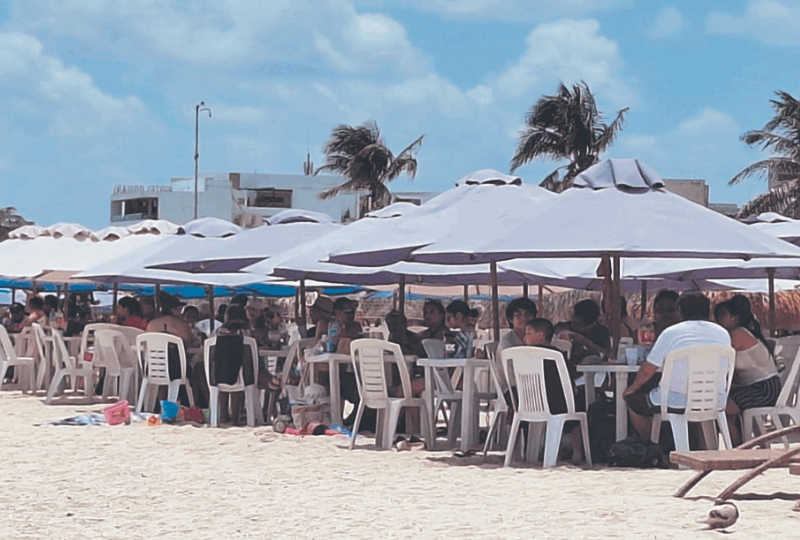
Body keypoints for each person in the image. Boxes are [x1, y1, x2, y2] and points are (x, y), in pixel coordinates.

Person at [623, 292, 731, 442]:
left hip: (675, 400)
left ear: (680, 311)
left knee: (632, 400)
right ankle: (702, 445)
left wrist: (631, 389)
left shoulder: (671, 333)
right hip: (714, 399)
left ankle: (654, 447)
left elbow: (648, 370)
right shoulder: (723, 334)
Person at [714, 296, 781, 445]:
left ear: (734, 318)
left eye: (722, 316)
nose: (717, 320)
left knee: (722, 407)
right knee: (724, 405)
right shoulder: (745, 331)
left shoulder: (737, 334)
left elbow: (720, 359)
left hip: (764, 388)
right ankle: (741, 445)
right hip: (762, 386)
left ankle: (740, 448)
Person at [522, 317, 585, 463]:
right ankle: (578, 452)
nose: (524, 337)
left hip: (529, 403)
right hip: (556, 405)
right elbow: (568, 381)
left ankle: (530, 450)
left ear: (539, 336)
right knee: (579, 403)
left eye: (528, 333)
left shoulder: (523, 355)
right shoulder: (556, 355)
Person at [146, 292, 201, 407]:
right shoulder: (182, 325)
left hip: (153, 367)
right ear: (173, 309)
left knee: (164, 378)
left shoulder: (152, 324)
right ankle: (190, 404)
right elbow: (188, 344)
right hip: (176, 369)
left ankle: (160, 405)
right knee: (194, 371)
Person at [495, 297, 538, 392]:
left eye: (528, 314)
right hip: (513, 390)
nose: (523, 318)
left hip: (534, 386)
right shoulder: (507, 343)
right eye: (518, 315)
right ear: (511, 319)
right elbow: (510, 377)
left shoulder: (537, 338)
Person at [557, 299, 610, 373]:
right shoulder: (563, 326)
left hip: (592, 372)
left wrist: (586, 342)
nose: (573, 325)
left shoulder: (602, 332)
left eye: (577, 323)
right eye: (573, 319)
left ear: (592, 324)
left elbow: (607, 354)